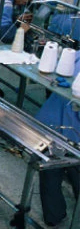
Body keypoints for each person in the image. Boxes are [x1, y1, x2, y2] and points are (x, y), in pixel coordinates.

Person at [35, 51, 80, 227]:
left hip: (51, 122)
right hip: (71, 131)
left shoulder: (75, 55)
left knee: (51, 170)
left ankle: (54, 216)